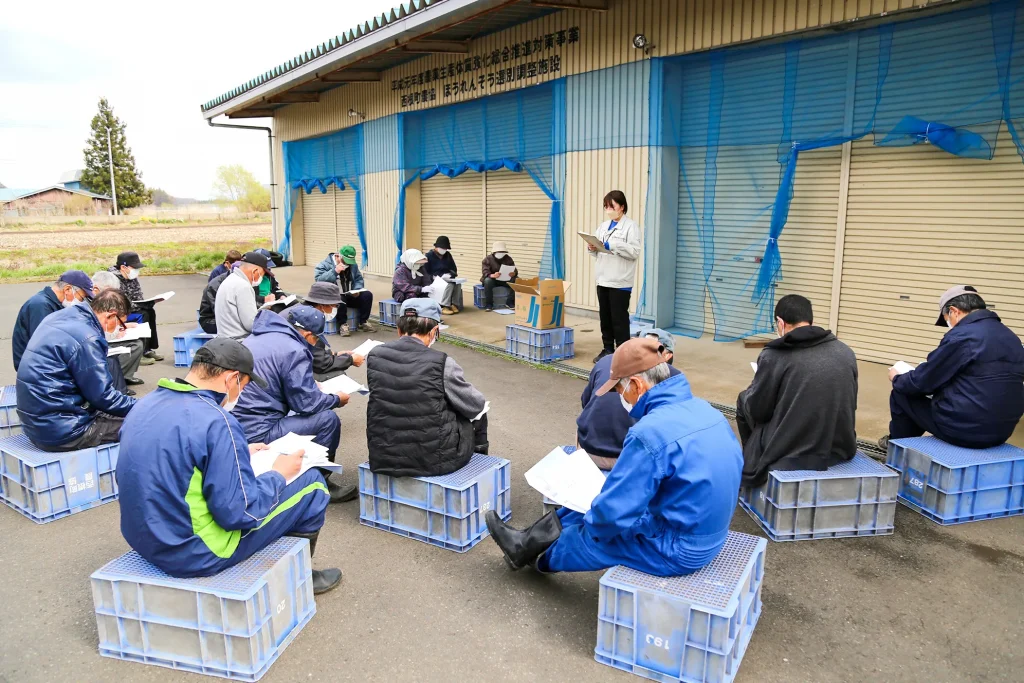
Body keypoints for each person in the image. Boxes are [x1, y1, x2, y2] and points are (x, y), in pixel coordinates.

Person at [486, 338, 742, 576]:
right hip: (702, 528)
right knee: (591, 507)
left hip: (679, 547)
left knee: (590, 536)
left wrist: (592, 525)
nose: (621, 396)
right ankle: (524, 541)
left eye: (620, 389)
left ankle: (534, 559)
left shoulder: (650, 433)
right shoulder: (705, 410)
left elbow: (610, 518)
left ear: (638, 385)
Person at [115, 337, 341, 593]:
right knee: (312, 485)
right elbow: (240, 513)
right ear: (231, 379)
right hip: (193, 551)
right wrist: (278, 474)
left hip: (143, 539)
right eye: (243, 386)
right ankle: (300, 577)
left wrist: (238, 451)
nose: (240, 394)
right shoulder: (217, 420)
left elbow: (173, 455)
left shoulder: (145, 404)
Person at [232, 306, 355, 503]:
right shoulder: (294, 349)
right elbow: (306, 404)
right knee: (327, 420)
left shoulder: (258, 336)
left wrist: (309, 384)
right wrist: (336, 399)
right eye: (315, 339)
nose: (315, 345)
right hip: (258, 430)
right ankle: (320, 484)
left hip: (236, 425)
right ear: (307, 334)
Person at [881, 285, 1024, 451]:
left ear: (955, 311)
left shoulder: (963, 336)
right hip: (1002, 431)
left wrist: (897, 377)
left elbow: (922, 383)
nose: (949, 323)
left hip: (966, 431)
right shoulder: (1011, 337)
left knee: (902, 393)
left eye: (947, 318)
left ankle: (897, 447)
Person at [735, 294, 858, 487]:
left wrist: (756, 387)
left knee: (744, 400)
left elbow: (759, 409)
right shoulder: (845, 351)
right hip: (840, 449)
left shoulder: (774, 355)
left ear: (780, 323)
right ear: (811, 321)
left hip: (790, 455)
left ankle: (753, 460)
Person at [366, 299, 489, 477]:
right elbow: (475, 405)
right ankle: (480, 468)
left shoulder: (375, 355)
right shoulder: (442, 362)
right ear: (434, 331)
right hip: (436, 461)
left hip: (384, 456)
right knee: (478, 413)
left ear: (399, 329)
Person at [16, 289, 137, 452]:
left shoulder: (61, 316)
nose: (120, 331)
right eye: (121, 325)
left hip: (35, 423)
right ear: (110, 315)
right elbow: (105, 397)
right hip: (62, 432)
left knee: (124, 410)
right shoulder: (88, 338)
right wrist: (146, 405)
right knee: (144, 422)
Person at [577, 328, 680, 471]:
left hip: (588, 451)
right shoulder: (673, 377)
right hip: (631, 461)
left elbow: (585, 402)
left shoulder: (606, 361)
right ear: (667, 355)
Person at [588, 191, 641, 363]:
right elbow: (598, 253)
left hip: (620, 281)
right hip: (603, 278)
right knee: (605, 318)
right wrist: (592, 248)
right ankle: (608, 349)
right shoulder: (603, 226)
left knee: (619, 319)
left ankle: (624, 354)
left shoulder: (631, 226)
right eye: (606, 206)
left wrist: (614, 244)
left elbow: (634, 252)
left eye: (612, 206)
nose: (608, 209)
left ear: (622, 206)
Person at [12, 270, 94, 371]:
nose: (82, 302)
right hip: (36, 370)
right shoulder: (40, 306)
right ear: (67, 289)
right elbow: (45, 346)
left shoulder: (55, 304)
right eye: (82, 297)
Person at [93, 270, 146, 392]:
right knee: (132, 346)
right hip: (100, 342)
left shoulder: (100, 301)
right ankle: (113, 381)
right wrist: (115, 333)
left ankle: (123, 378)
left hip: (105, 336)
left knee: (138, 342)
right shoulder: (90, 305)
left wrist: (122, 326)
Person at [301, 282, 365, 381]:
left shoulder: (301, 312)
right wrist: (350, 360)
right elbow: (321, 364)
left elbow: (314, 353)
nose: (335, 309)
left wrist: (334, 354)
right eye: (334, 306)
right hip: (289, 372)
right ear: (322, 305)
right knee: (337, 376)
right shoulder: (308, 321)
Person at [108, 251, 163, 362]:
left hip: (131, 308)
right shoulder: (112, 280)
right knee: (143, 314)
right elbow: (119, 304)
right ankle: (139, 353)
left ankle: (147, 349)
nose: (136, 271)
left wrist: (150, 302)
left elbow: (138, 296)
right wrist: (142, 306)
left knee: (150, 311)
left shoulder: (132, 278)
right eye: (134, 268)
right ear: (123, 267)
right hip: (118, 313)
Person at [313, 245, 376, 335]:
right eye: (345, 261)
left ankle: (363, 322)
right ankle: (343, 324)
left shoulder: (352, 266)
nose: (347, 264)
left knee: (367, 295)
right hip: (332, 297)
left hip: (348, 294)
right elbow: (319, 280)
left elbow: (358, 279)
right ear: (338, 256)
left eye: (350, 262)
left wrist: (357, 290)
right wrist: (334, 271)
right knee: (340, 297)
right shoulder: (324, 264)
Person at [214, 251, 268, 340]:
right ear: (255, 271)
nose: (261, 279)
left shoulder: (231, 279)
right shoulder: (243, 286)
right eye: (261, 275)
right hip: (239, 341)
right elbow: (251, 324)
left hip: (225, 339)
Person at [425, 236, 464, 315]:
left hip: (447, 278)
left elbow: (454, 269)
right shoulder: (428, 256)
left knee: (457, 284)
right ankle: (444, 306)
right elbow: (425, 272)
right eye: (442, 248)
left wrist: (450, 274)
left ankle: (454, 304)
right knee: (449, 285)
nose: (444, 250)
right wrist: (434, 277)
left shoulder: (448, 255)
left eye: (445, 248)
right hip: (434, 280)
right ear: (436, 247)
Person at [480, 242, 518, 311]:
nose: (501, 253)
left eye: (503, 251)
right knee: (487, 281)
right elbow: (485, 272)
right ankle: (489, 304)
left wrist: (514, 273)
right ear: (494, 252)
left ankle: (510, 301)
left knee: (517, 280)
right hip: (493, 280)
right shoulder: (487, 259)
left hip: (505, 280)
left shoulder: (508, 259)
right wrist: (492, 275)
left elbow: (515, 270)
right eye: (499, 251)